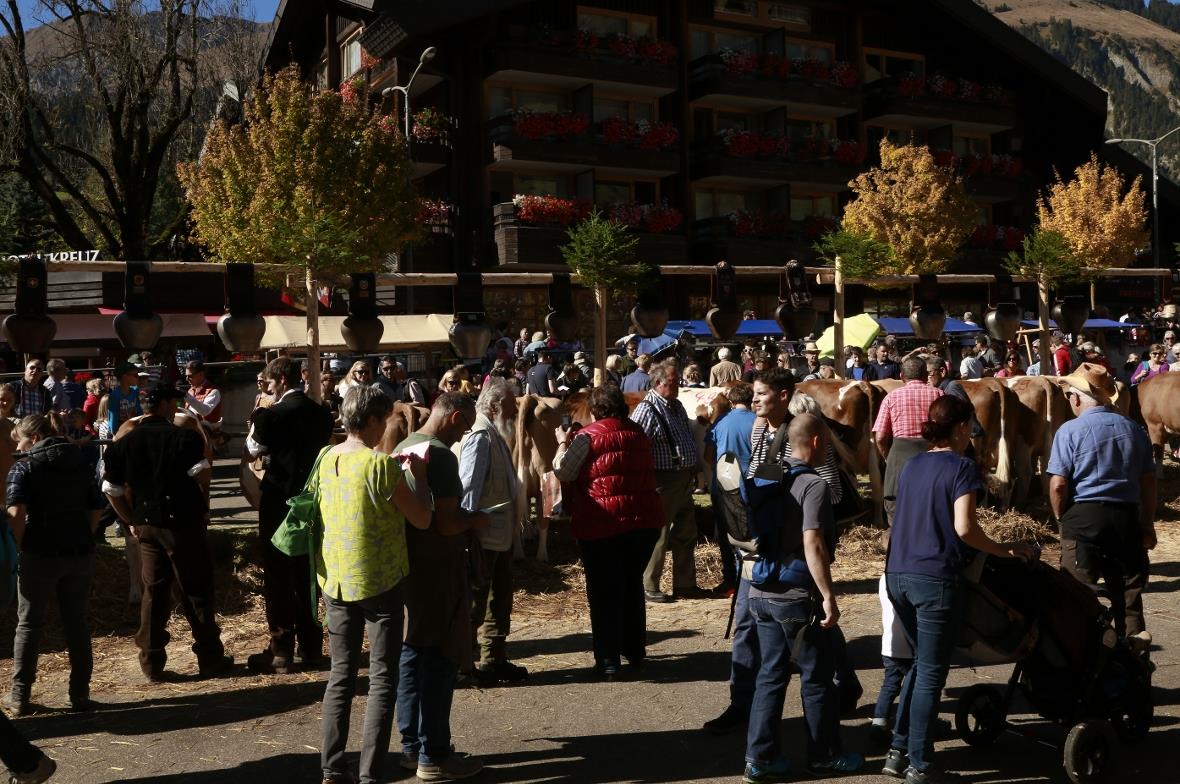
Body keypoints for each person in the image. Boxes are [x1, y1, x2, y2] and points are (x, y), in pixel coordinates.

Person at [883, 396, 1035, 784]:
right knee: (932, 672)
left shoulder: (913, 464)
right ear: (963, 427)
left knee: (919, 664)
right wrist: (1006, 549)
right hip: (934, 576)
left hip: (898, 573)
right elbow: (965, 528)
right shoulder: (963, 467)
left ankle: (899, 751)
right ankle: (921, 762)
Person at [316, 387, 434, 784]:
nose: (385, 426)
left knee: (340, 675)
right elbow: (421, 519)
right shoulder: (381, 466)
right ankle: (370, 773)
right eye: (383, 420)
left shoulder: (325, 458)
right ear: (369, 421)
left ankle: (333, 766)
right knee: (383, 677)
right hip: (380, 581)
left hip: (336, 579)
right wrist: (417, 478)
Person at [742, 414, 863, 783]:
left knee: (770, 675)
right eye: (825, 440)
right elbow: (813, 542)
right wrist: (828, 595)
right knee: (816, 676)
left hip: (760, 589)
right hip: (796, 595)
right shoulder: (814, 485)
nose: (827, 446)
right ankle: (823, 755)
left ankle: (759, 759)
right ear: (814, 442)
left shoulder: (765, 476)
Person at [102, 385, 234, 681]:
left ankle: (150, 663)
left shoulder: (123, 443)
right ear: (163, 405)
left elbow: (110, 489)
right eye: (172, 403)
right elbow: (202, 472)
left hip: (146, 525)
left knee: (154, 592)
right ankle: (210, 658)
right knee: (195, 588)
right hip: (183, 523)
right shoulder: (183, 437)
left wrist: (130, 520)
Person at [395, 393, 490, 781]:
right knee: (440, 656)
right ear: (453, 417)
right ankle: (434, 754)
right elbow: (447, 523)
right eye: (465, 425)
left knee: (413, 652)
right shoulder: (443, 456)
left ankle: (411, 746)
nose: (465, 433)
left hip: (408, 566)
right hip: (438, 566)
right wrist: (476, 520)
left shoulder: (404, 445)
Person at [552, 385, 664, 679]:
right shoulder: (638, 433)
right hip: (643, 521)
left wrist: (562, 444)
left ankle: (608, 659)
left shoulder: (587, 437)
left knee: (604, 593)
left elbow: (563, 471)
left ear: (594, 409)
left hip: (603, 524)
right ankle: (635, 650)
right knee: (631, 587)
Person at [1048, 364, 1156, 647]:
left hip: (1084, 518)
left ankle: (1085, 654)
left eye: (1070, 395)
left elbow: (1059, 484)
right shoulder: (1134, 429)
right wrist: (1147, 524)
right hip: (1126, 518)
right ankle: (1133, 653)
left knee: (1077, 592)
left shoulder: (1069, 431)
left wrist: (1062, 517)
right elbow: (1148, 483)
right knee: (1129, 593)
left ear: (1077, 399)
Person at [4, 415, 104, 716]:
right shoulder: (79, 461)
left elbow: (17, 513)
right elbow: (96, 506)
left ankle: (20, 696)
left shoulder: (25, 466)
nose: (17, 447)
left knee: (29, 624)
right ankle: (80, 693)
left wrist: (17, 550)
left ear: (33, 437)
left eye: (18, 440)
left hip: (40, 551)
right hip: (79, 550)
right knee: (77, 623)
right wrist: (85, 534)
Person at [245, 357, 335, 674]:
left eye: (269, 383)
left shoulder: (271, 415)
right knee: (307, 573)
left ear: (281, 380)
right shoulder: (321, 413)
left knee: (279, 575)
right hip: (310, 500)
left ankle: (281, 648)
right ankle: (312, 646)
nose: (267, 388)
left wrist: (260, 417)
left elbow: (253, 448)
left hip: (279, 500)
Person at [455, 379, 529, 686]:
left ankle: (493, 659)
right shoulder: (479, 438)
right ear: (493, 405)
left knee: (499, 600)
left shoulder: (494, 435)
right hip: (482, 537)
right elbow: (468, 488)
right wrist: (468, 532)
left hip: (497, 536)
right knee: (476, 601)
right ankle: (464, 665)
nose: (514, 412)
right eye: (510, 407)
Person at [631, 360, 702, 602]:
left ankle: (685, 584)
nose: (678, 385)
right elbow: (636, 449)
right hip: (662, 480)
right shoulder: (647, 410)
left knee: (686, 531)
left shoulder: (677, 406)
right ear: (659, 383)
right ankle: (649, 585)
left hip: (682, 477)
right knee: (659, 534)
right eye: (673, 382)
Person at [873, 358, 944, 525]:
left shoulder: (891, 397)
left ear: (902, 376)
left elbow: (880, 437)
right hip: (932, 465)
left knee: (897, 523)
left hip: (899, 465)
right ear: (925, 375)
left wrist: (887, 457)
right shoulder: (939, 395)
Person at [703, 383, 757, 597]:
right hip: (753, 486)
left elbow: (708, 456)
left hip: (725, 487)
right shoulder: (757, 421)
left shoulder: (720, 422)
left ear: (732, 402)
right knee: (752, 536)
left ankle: (731, 583)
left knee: (727, 536)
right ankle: (752, 579)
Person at [103, 363, 142, 439]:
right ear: (124, 376)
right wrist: (116, 434)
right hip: (121, 434)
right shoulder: (115, 396)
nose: (138, 378)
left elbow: (139, 412)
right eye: (135, 375)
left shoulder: (135, 392)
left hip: (134, 431)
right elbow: (113, 418)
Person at [182, 361, 223, 434]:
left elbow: (204, 411)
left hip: (207, 431)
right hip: (191, 427)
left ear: (201, 375)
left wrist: (186, 396)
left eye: (190, 376)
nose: (187, 379)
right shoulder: (190, 391)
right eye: (186, 376)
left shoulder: (213, 391)